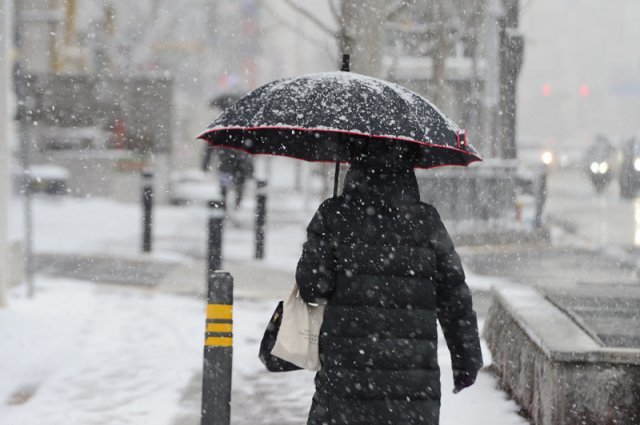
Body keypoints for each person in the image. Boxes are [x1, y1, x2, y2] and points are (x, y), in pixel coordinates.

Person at [295, 140, 483, 425]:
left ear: (354, 162)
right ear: (409, 165)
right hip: (411, 388)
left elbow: (312, 288)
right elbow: (454, 297)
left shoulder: (333, 215)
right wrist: (466, 360)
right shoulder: (427, 222)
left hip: (347, 379)